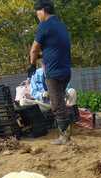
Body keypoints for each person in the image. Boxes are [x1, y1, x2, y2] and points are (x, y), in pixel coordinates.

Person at [29, 0, 73, 145]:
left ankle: (64, 137)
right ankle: (67, 133)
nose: (37, 15)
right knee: (60, 101)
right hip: (66, 70)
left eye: (37, 12)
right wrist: (43, 56)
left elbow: (34, 49)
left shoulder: (44, 25)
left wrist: (32, 65)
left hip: (53, 73)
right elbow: (55, 48)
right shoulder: (61, 25)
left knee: (57, 105)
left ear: (42, 10)